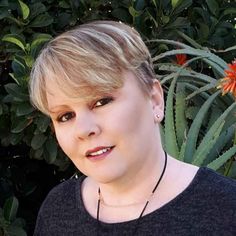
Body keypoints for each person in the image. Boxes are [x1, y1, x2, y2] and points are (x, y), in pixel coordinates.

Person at [29, 21, 236, 236]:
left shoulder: (227, 211)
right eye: (65, 116)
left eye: (101, 102)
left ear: (154, 99)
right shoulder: (57, 210)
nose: (83, 129)